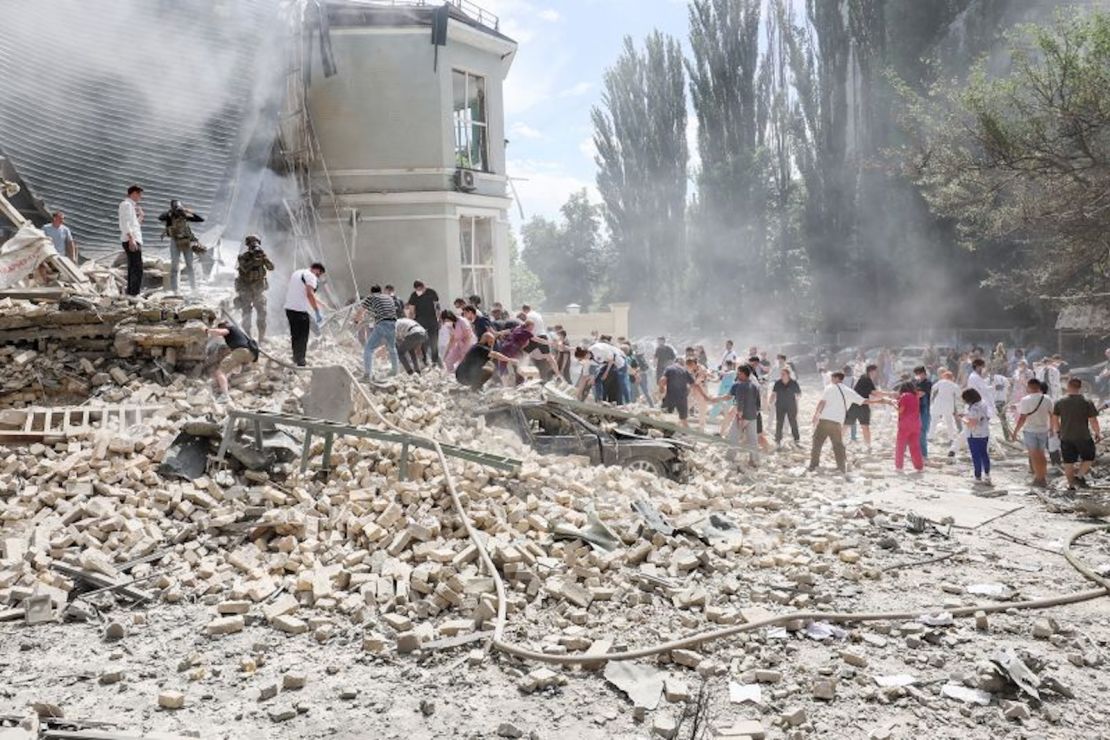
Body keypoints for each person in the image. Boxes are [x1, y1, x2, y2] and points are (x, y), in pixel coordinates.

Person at [809, 371, 871, 474]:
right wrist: (882, 400)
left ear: (837, 378)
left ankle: (813, 465)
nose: (831, 380)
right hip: (837, 423)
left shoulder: (829, 387)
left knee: (817, 443)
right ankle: (841, 467)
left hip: (825, 420)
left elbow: (822, 402)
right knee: (838, 445)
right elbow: (863, 401)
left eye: (832, 378)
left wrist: (816, 414)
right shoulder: (848, 391)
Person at [1052, 378, 1101, 491]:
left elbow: (1055, 419)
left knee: (1068, 462)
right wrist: (1097, 433)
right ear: (1080, 387)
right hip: (1083, 436)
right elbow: (1093, 420)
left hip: (1066, 436)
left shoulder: (1060, 402)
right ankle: (1079, 476)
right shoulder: (1087, 401)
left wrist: (1058, 431)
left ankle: (1071, 485)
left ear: (1068, 386)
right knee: (1089, 457)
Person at [1011, 377, 1053, 488]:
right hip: (1043, 430)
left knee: (1034, 455)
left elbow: (1022, 418)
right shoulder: (1047, 399)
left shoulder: (1025, 400)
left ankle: (1039, 478)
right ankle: (1042, 477)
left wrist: (1015, 432)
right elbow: (1052, 415)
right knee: (1042, 454)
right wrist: (1053, 428)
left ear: (1029, 387)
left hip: (1030, 431)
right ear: (1039, 387)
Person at [283, 262, 326, 367]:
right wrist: (316, 311)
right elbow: (309, 294)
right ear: (317, 270)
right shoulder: (311, 276)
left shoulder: (298, 272)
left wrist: (320, 303)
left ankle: (295, 357)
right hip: (300, 310)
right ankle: (301, 361)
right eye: (319, 274)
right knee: (303, 336)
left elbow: (301, 291)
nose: (318, 276)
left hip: (289, 308)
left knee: (295, 335)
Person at [205, 320, 258, 403]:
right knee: (231, 370)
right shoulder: (237, 331)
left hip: (241, 351)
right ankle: (227, 384)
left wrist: (207, 330)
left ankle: (225, 396)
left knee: (220, 372)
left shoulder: (228, 328)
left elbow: (221, 332)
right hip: (250, 355)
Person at [158, 199, 204, 293]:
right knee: (175, 265)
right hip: (175, 241)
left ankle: (193, 288)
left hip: (186, 241)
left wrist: (187, 211)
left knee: (190, 265)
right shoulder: (169, 215)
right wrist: (170, 212)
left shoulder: (184, 215)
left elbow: (200, 219)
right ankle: (175, 289)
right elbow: (160, 217)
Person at [234, 234, 274, 342]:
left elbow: (271, 267)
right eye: (252, 244)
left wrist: (265, 259)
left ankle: (261, 338)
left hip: (258, 291)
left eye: (255, 243)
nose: (254, 246)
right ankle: (247, 337)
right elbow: (245, 268)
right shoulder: (243, 257)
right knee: (247, 314)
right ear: (248, 246)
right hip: (246, 290)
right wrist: (253, 261)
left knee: (262, 313)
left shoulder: (261, 256)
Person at [719, 364, 761, 465]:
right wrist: (754, 414)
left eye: (738, 372)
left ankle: (730, 458)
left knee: (734, 436)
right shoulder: (755, 386)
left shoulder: (739, 385)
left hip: (742, 416)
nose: (737, 374)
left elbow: (738, 402)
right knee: (753, 439)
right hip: (752, 416)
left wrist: (740, 417)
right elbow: (758, 403)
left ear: (743, 374)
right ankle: (754, 460)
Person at [356, 285, 400, 378]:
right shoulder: (388, 298)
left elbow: (361, 311)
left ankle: (367, 375)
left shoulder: (371, 297)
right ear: (380, 291)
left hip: (382, 324)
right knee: (392, 348)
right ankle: (395, 371)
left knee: (369, 348)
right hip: (393, 324)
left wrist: (356, 321)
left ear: (372, 292)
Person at [658, 357, 712, 427]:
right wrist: (705, 396)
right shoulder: (684, 370)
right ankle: (686, 433)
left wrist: (661, 389)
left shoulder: (669, 368)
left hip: (671, 397)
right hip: (683, 398)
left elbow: (662, 380)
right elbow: (695, 385)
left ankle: (666, 429)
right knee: (684, 419)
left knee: (664, 415)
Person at [846, 365, 882, 452]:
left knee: (861, 426)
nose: (877, 373)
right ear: (872, 371)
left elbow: (873, 393)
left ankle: (868, 445)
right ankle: (868, 445)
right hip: (857, 404)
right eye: (876, 371)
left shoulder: (866, 379)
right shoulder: (866, 378)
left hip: (860, 404)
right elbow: (874, 393)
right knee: (849, 425)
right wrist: (890, 395)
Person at [892, 382, 924, 474]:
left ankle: (899, 467)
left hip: (905, 424)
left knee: (900, 446)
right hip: (916, 424)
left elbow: (901, 410)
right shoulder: (916, 396)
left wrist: (894, 404)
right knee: (915, 446)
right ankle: (919, 467)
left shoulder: (904, 396)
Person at [962, 388, 992, 486]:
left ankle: (978, 476)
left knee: (976, 456)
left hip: (974, 434)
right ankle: (987, 474)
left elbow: (972, 424)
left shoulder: (974, 408)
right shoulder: (983, 403)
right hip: (984, 432)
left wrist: (962, 419)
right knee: (984, 454)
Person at [118, 184, 144, 296]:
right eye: (139, 194)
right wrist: (131, 239)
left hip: (132, 238)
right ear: (133, 193)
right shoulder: (127, 205)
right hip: (131, 239)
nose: (140, 197)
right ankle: (134, 294)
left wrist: (141, 216)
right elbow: (126, 223)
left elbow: (133, 224)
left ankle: (131, 292)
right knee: (137, 268)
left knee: (133, 267)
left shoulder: (130, 206)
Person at [407, 280, 441, 366]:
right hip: (420, 321)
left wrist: (438, 319)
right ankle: (424, 359)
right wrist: (410, 322)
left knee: (434, 340)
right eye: (417, 289)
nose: (419, 291)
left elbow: (437, 306)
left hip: (432, 320)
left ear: (424, 286)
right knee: (422, 341)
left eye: (420, 288)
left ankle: (435, 360)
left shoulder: (431, 292)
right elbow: (411, 310)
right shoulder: (414, 295)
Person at [930, 369, 963, 457]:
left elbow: (933, 388)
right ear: (951, 377)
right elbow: (959, 394)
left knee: (934, 421)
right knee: (949, 422)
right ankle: (951, 438)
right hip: (948, 405)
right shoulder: (954, 385)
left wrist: (931, 400)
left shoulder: (940, 382)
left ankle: (930, 437)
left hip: (938, 404)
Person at [770, 367, 802, 447]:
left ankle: (796, 438)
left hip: (791, 405)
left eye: (783, 374)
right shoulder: (778, 383)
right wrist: (770, 403)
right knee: (779, 422)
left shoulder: (793, 383)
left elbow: (799, 393)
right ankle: (778, 439)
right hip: (780, 405)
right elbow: (773, 393)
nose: (781, 375)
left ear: (788, 375)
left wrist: (797, 400)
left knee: (793, 422)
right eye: (781, 374)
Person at [441, 308, 476, 373]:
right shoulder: (450, 325)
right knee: (448, 360)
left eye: (447, 320)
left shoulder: (462, 321)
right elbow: (452, 339)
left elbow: (468, 336)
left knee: (463, 364)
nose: (446, 322)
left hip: (469, 344)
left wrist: (464, 351)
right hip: (459, 345)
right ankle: (451, 375)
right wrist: (447, 352)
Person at [395, 309, 428, 375]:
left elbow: (397, 340)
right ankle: (417, 371)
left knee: (400, 352)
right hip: (424, 333)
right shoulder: (405, 320)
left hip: (414, 333)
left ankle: (410, 372)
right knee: (411, 350)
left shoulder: (395, 324)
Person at [913, 366, 933, 458]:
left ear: (923, 373)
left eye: (918, 374)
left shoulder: (927, 383)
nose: (917, 376)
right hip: (916, 409)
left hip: (924, 410)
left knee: (922, 432)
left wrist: (911, 396)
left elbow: (921, 394)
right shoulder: (917, 382)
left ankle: (924, 454)